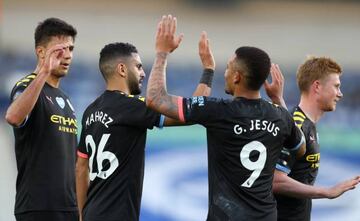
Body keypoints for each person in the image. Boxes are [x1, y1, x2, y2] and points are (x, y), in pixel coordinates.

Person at [146, 15, 305, 221]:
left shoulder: (219, 111)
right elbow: (300, 147)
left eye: (229, 67)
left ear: (237, 77)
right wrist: (278, 99)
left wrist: (162, 53)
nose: (226, 73)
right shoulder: (280, 116)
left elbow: (155, 99)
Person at [75, 33, 215, 221]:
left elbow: (81, 168)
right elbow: (190, 113)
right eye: (139, 67)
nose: (143, 73)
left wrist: (82, 215)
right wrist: (208, 71)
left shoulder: (90, 111)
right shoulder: (132, 107)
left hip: (92, 212)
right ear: (122, 69)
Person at [264, 59, 360, 221]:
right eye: (336, 86)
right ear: (317, 86)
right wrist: (327, 192)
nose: (340, 93)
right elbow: (275, 181)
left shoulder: (306, 125)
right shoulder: (297, 126)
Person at [5, 18, 78, 221]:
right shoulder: (26, 86)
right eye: (60, 50)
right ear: (41, 52)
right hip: (38, 208)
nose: (68, 56)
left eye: (71, 49)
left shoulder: (65, 98)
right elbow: (13, 116)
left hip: (69, 208)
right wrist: (44, 71)